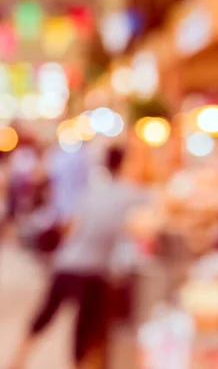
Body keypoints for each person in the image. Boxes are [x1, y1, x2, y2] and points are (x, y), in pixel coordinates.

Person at [10, 146, 147, 369]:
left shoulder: (90, 192)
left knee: (46, 314)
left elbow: (71, 226)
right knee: (83, 328)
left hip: (68, 262)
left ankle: (18, 361)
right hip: (94, 269)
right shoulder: (128, 194)